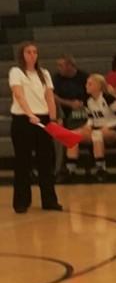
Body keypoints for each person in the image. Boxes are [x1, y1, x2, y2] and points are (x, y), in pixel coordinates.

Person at [8, 42, 60, 213]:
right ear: (22, 55)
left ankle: (49, 200)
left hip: (43, 119)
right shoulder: (16, 72)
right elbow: (19, 94)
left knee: (46, 160)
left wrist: (52, 118)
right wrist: (29, 114)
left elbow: (50, 97)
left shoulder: (44, 73)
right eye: (28, 52)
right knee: (23, 161)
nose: (32, 55)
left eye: (34, 52)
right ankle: (21, 202)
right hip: (23, 120)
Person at [78, 73, 116, 182]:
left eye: (89, 84)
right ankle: (69, 168)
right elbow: (90, 118)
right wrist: (87, 126)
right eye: (86, 83)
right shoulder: (88, 101)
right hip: (96, 129)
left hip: (113, 130)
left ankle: (101, 168)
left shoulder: (108, 98)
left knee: (97, 134)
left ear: (98, 86)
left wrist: (108, 126)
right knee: (74, 134)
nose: (86, 86)